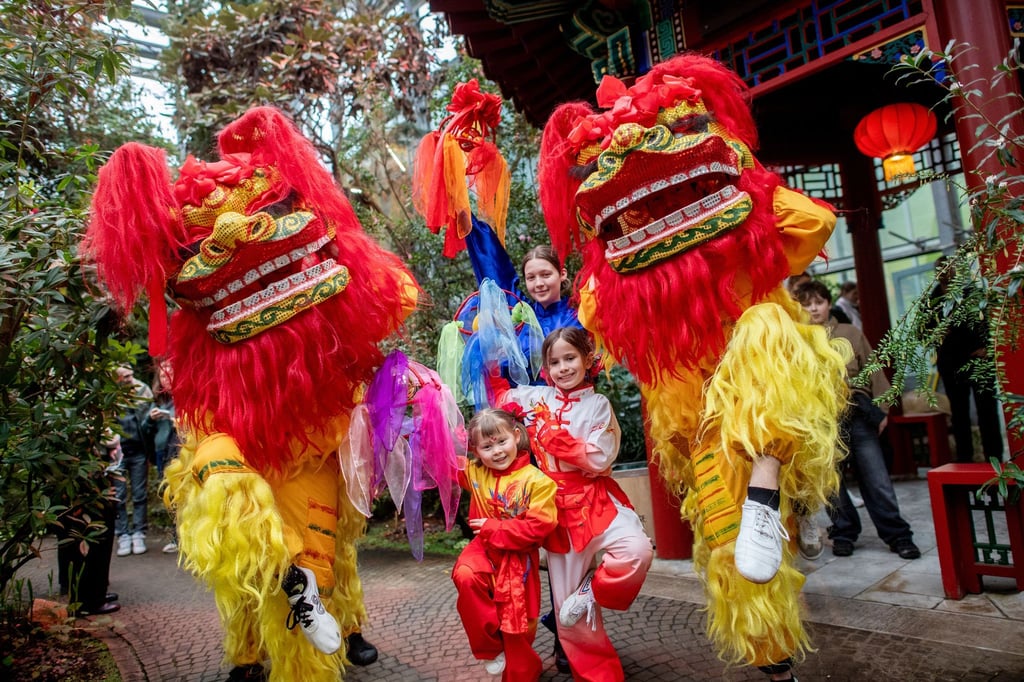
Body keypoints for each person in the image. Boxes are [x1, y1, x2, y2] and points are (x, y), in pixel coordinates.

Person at [492, 327, 653, 682]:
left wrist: (550, 435)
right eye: (554, 362)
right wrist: (487, 345)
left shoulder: (598, 405)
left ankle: (591, 589)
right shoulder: (537, 397)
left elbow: (597, 459)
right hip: (556, 511)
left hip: (597, 500)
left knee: (636, 550)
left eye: (570, 358)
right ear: (546, 368)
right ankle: (599, 677)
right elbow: (499, 394)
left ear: (586, 360)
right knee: (568, 615)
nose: (563, 367)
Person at [794, 280, 921, 560]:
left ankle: (898, 535)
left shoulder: (850, 333)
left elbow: (873, 370)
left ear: (829, 304)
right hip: (821, 418)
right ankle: (844, 532)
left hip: (858, 411)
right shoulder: (796, 339)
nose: (814, 308)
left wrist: (883, 409)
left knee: (876, 479)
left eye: (819, 302)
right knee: (831, 482)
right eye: (807, 303)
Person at [452, 407, 558, 680]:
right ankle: (489, 648)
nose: (497, 451)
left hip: (518, 560)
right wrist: (426, 417)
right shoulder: (475, 473)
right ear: (475, 450)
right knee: (465, 576)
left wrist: (494, 527)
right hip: (482, 552)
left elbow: (540, 527)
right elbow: (443, 460)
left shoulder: (539, 482)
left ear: (517, 436)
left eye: (502, 441)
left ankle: (524, 667)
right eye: (487, 446)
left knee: (518, 629)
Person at [930, 257, 1004, 462]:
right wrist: (937, 333)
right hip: (951, 363)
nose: (946, 273)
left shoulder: (971, 293)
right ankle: (965, 459)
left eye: (950, 269)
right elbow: (923, 332)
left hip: (978, 359)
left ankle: (994, 456)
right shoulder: (932, 299)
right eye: (942, 270)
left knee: (987, 409)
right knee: (959, 413)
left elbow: (990, 320)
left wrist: (988, 347)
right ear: (937, 273)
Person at [57, 435, 121, 616]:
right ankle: (89, 600)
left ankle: (93, 594)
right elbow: (109, 439)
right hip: (86, 482)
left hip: (86, 478)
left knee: (94, 537)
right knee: (92, 537)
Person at [112, 364, 153, 557]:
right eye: (125, 376)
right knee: (118, 495)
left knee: (139, 493)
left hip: (138, 450)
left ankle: (138, 533)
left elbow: (148, 423)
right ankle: (123, 535)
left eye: (131, 375)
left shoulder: (143, 390)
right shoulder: (109, 394)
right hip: (117, 453)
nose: (129, 379)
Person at [142, 361, 180, 553]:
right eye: (163, 375)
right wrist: (150, 419)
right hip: (161, 452)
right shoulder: (159, 402)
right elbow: (144, 430)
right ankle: (176, 537)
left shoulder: (185, 398)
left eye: (170, 373)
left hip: (181, 452)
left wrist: (176, 419)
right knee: (169, 496)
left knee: (184, 494)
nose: (166, 377)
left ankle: (185, 537)